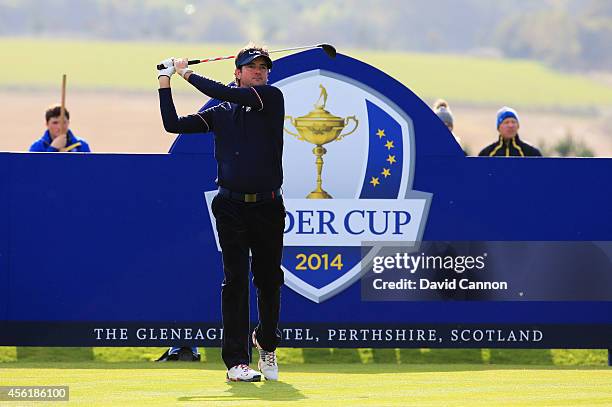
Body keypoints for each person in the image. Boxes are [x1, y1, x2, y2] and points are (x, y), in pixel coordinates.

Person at [157, 44, 285, 382]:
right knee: (235, 282)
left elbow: (216, 90)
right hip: (230, 206)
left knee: (270, 281)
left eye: (263, 67)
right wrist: (164, 81)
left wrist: (187, 72)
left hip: (269, 205)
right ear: (238, 73)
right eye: (252, 67)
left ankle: (266, 343)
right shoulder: (221, 113)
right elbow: (173, 124)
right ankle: (236, 363)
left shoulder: (271, 99)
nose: (260, 71)